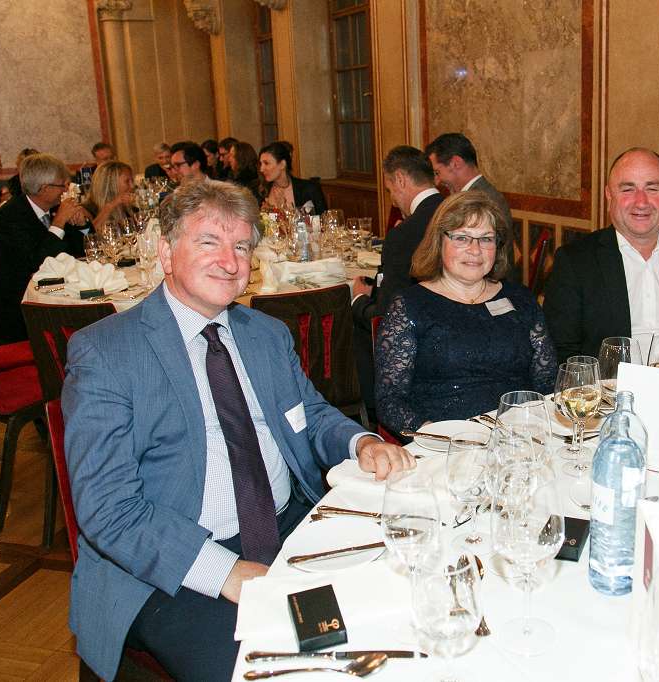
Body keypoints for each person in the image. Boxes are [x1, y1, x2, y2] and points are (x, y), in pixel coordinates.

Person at [62, 179, 416, 681]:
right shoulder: (108, 352)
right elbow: (108, 508)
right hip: (171, 566)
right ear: (165, 252)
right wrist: (223, 571)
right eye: (209, 242)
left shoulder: (265, 334)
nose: (230, 262)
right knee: (277, 669)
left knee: (391, 611)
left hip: (286, 525)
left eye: (242, 247)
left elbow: (309, 414)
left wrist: (360, 441)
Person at [375, 191, 556, 434]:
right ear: (439, 241)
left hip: (518, 436)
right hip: (448, 440)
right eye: (462, 238)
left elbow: (547, 381)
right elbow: (390, 400)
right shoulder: (410, 306)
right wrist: (436, 435)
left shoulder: (520, 299)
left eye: (486, 239)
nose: (475, 250)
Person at [542, 147, 659, 368]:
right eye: (628, 189)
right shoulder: (575, 262)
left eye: (652, 188)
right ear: (609, 195)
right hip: (608, 389)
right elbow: (562, 353)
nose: (641, 202)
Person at [351, 145, 442, 414]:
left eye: (390, 189)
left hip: (421, 343)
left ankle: (374, 412)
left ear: (400, 179)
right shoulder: (455, 212)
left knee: (355, 329)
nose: (392, 200)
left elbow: (386, 314)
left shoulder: (405, 233)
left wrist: (358, 300)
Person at [0, 153, 88, 340]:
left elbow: (81, 253)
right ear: (44, 189)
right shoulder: (11, 214)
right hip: (22, 313)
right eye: (62, 185)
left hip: (61, 293)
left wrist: (81, 225)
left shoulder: (54, 208)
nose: (65, 190)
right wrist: (58, 223)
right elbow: (37, 263)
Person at [425, 132, 520, 282]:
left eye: (438, 172)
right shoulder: (478, 194)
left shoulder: (482, 201)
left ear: (456, 163)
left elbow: (493, 263)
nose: (437, 181)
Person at [257, 141, 326, 214]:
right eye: (261, 164)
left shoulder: (310, 188)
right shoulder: (260, 191)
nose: (261, 169)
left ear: (282, 164)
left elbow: (324, 218)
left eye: (266, 163)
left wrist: (283, 209)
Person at [81, 160, 135, 230]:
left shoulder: (126, 207)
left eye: (132, 180)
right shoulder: (85, 211)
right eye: (127, 181)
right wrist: (110, 206)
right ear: (110, 184)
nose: (132, 186)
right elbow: (88, 234)